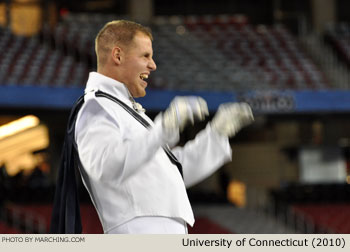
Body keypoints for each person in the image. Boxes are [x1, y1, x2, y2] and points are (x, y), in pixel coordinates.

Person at [51, 20, 254, 234]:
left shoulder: (125, 109)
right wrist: (165, 127)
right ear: (118, 56)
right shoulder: (97, 106)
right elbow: (105, 167)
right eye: (145, 56)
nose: (153, 65)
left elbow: (173, 174)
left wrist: (216, 134)